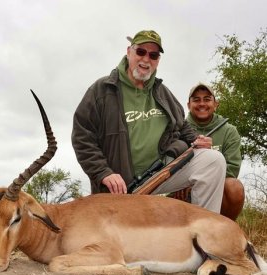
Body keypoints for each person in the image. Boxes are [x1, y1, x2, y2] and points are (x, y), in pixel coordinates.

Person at [72, 30, 226, 213]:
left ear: (158, 60)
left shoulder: (162, 92)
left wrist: (197, 139)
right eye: (141, 52)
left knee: (213, 160)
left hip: (162, 172)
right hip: (121, 188)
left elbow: (182, 125)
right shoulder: (101, 90)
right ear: (129, 52)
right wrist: (104, 173)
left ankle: (203, 233)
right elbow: (82, 137)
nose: (146, 59)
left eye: (153, 55)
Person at [187, 82, 245, 220]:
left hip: (215, 191)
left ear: (216, 104)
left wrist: (201, 182)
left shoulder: (229, 131)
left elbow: (232, 169)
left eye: (207, 99)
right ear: (188, 105)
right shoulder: (178, 128)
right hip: (183, 191)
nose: (202, 104)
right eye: (196, 100)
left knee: (234, 187)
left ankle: (225, 230)